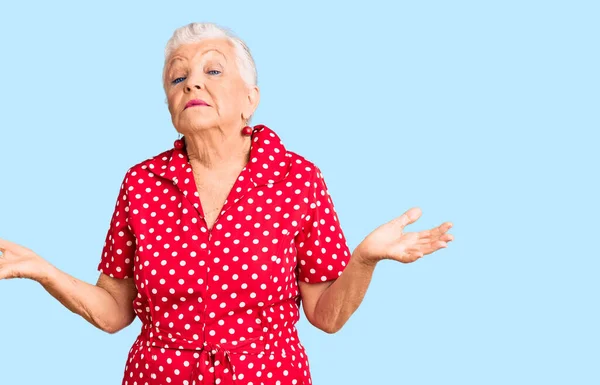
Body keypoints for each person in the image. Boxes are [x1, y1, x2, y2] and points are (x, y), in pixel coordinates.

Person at [0, 22, 454, 385]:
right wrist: (44, 270)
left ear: (249, 100)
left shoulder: (298, 180)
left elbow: (325, 316)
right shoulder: (140, 184)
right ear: (170, 105)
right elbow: (115, 310)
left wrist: (364, 260)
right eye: (178, 77)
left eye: (212, 71)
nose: (191, 82)